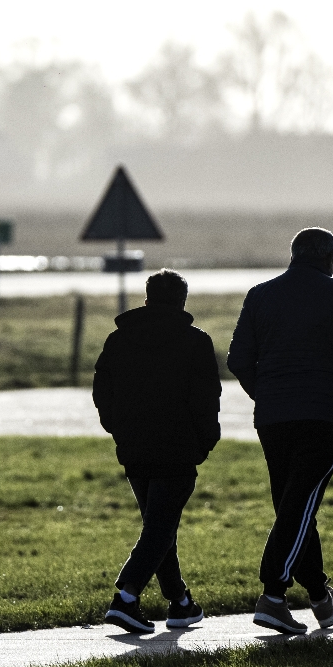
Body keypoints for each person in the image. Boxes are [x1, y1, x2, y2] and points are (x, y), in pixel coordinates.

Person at [226, 227, 333, 636]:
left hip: (273, 418)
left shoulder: (261, 294)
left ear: (293, 256)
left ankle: (319, 596)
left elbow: (238, 359)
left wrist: (268, 392)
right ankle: (273, 595)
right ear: (329, 259)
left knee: (293, 504)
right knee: (298, 504)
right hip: (323, 414)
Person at [91, 268, 222, 634]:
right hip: (178, 447)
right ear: (182, 301)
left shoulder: (119, 340)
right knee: (161, 527)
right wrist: (205, 441)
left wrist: (118, 428)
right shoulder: (195, 342)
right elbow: (206, 398)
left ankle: (179, 601)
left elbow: (103, 391)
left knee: (159, 526)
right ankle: (126, 596)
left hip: (134, 447)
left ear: (147, 298)